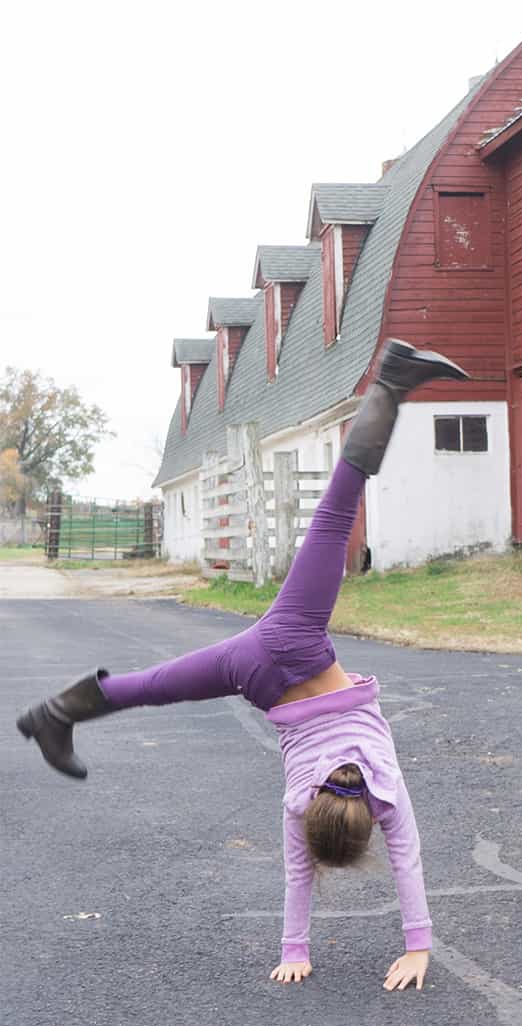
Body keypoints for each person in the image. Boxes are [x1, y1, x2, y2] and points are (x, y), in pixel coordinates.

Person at [16, 339, 470, 987]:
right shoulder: (297, 803)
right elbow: (298, 871)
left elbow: (408, 861)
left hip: (294, 641)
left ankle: (392, 384)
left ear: (366, 819)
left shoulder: (386, 796)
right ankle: (53, 712)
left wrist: (415, 946)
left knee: (339, 509)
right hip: (256, 669)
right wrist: (292, 950)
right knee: (153, 688)